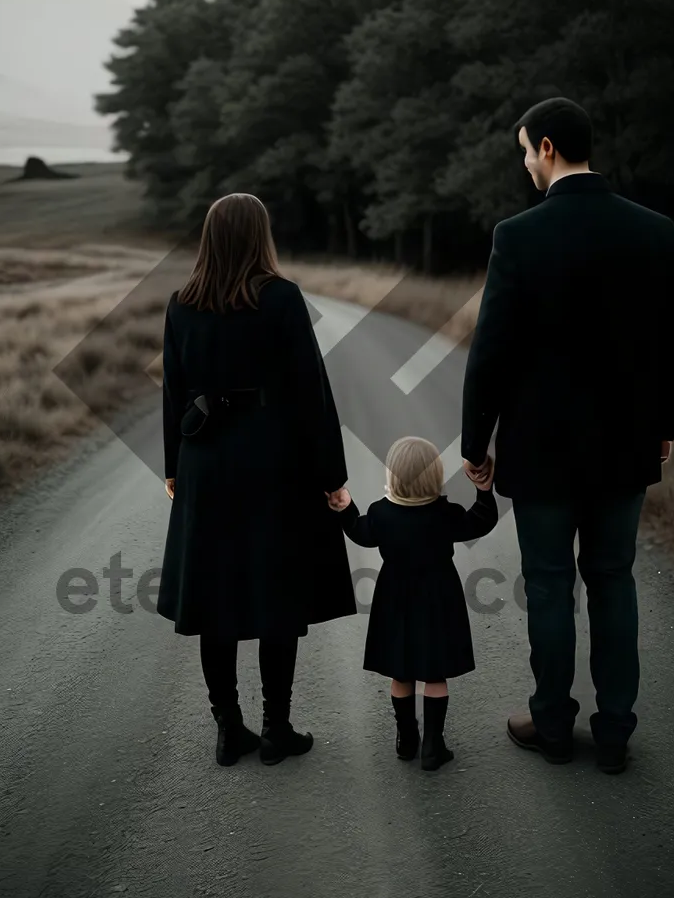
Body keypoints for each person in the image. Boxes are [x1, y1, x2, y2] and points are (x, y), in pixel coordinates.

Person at [460, 97, 674, 774]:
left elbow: (491, 350)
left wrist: (475, 443)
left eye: (527, 149)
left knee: (551, 584)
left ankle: (554, 723)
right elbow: (670, 342)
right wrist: (663, 428)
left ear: (550, 148)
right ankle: (615, 730)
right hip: (626, 444)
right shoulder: (654, 231)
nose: (526, 162)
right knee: (614, 580)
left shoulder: (519, 236)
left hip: (543, 448)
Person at [159, 192, 357, 767]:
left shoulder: (180, 304)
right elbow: (310, 394)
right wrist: (332, 477)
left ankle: (229, 728)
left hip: (206, 464)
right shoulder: (282, 298)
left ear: (209, 237)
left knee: (214, 596)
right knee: (276, 593)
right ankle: (276, 729)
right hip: (274, 462)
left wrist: (174, 466)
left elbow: (174, 393)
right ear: (259, 236)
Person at [328, 437, 498, 771]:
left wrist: (346, 506)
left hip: (394, 598)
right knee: (434, 674)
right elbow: (481, 520)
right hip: (439, 597)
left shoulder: (380, 514)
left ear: (392, 477)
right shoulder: (445, 514)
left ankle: (406, 740)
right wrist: (484, 491)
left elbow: (359, 531)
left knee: (401, 672)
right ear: (435, 477)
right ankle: (434, 746)